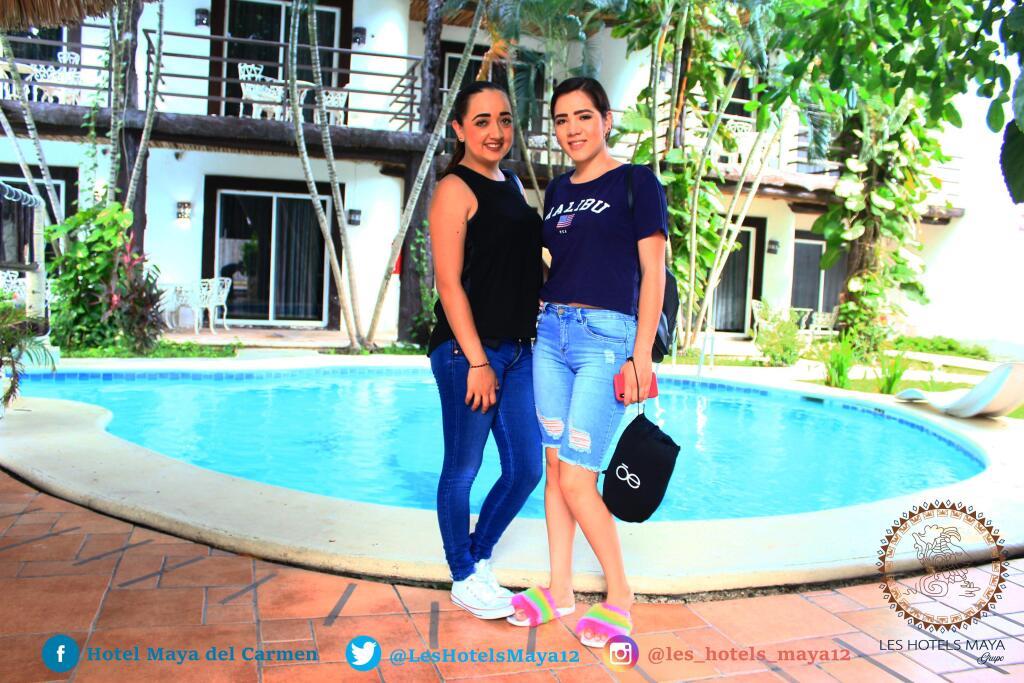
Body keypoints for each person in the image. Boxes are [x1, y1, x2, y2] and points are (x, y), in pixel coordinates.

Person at [507, 77, 668, 648]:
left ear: (606, 120)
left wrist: (641, 354)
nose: (571, 129)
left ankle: (620, 594)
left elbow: (653, 272)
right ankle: (560, 590)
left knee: (578, 476)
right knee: (556, 469)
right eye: (561, 119)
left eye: (582, 116)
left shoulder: (636, 182)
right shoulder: (557, 190)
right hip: (552, 335)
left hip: (606, 340)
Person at [427, 81, 544, 620]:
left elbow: (523, 265)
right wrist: (476, 360)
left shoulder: (512, 183)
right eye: (481, 121)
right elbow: (449, 284)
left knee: (526, 468)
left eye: (504, 119)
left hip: (518, 350)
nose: (496, 131)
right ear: (459, 129)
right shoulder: (455, 188)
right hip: (468, 353)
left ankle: (478, 558)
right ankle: (463, 575)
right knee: (463, 468)